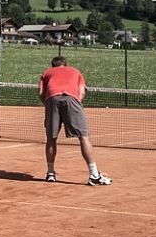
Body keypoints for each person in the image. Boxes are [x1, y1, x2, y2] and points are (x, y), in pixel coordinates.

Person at [40, 56, 111, 186]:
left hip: (51, 99)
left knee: (51, 138)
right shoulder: (75, 71)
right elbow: (81, 91)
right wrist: (77, 103)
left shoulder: (47, 73)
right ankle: (94, 174)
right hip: (71, 98)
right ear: (65, 65)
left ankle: (50, 173)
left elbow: (41, 92)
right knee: (83, 136)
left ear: (53, 65)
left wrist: (48, 104)